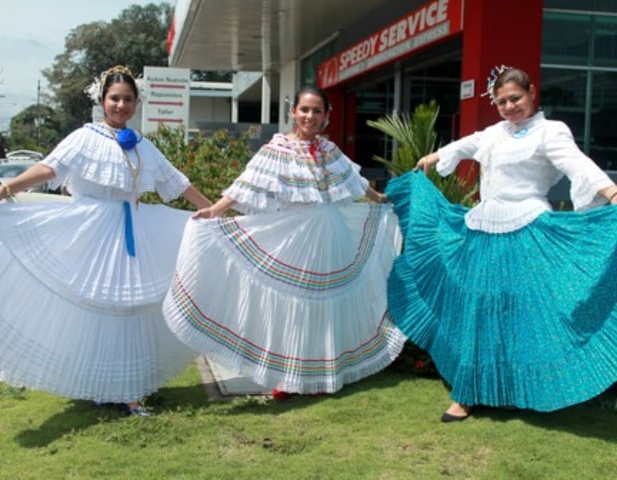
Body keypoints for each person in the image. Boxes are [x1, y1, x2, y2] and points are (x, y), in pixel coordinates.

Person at [0, 65, 212, 416]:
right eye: (115, 98)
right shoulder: (85, 138)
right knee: (100, 312)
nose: (121, 105)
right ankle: (105, 386)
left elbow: (176, 182)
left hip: (134, 232)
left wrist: (211, 210)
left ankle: (128, 388)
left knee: (131, 312)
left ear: (137, 103)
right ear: (102, 100)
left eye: (127, 99)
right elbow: (50, 168)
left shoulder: (143, 146)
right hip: (92, 232)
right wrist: (4, 188)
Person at [385, 66, 617, 422]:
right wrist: (434, 158)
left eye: (515, 98)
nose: (509, 106)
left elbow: (577, 164)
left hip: (527, 230)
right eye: (502, 101)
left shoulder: (550, 131)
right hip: (483, 230)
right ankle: (466, 393)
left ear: (531, 93)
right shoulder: (495, 132)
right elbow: (465, 144)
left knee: (517, 313)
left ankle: (508, 388)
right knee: (477, 308)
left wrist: (610, 191)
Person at [162, 85, 406, 397]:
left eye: (317, 111)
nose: (310, 116)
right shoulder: (277, 150)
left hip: (332, 235)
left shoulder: (330, 151)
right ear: (293, 112)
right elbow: (244, 186)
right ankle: (288, 379)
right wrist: (213, 211)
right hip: (296, 237)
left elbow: (355, 182)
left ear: (326, 117)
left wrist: (379, 198)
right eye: (305, 109)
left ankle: (323, 375)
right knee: (295, 308)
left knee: (326, 308)